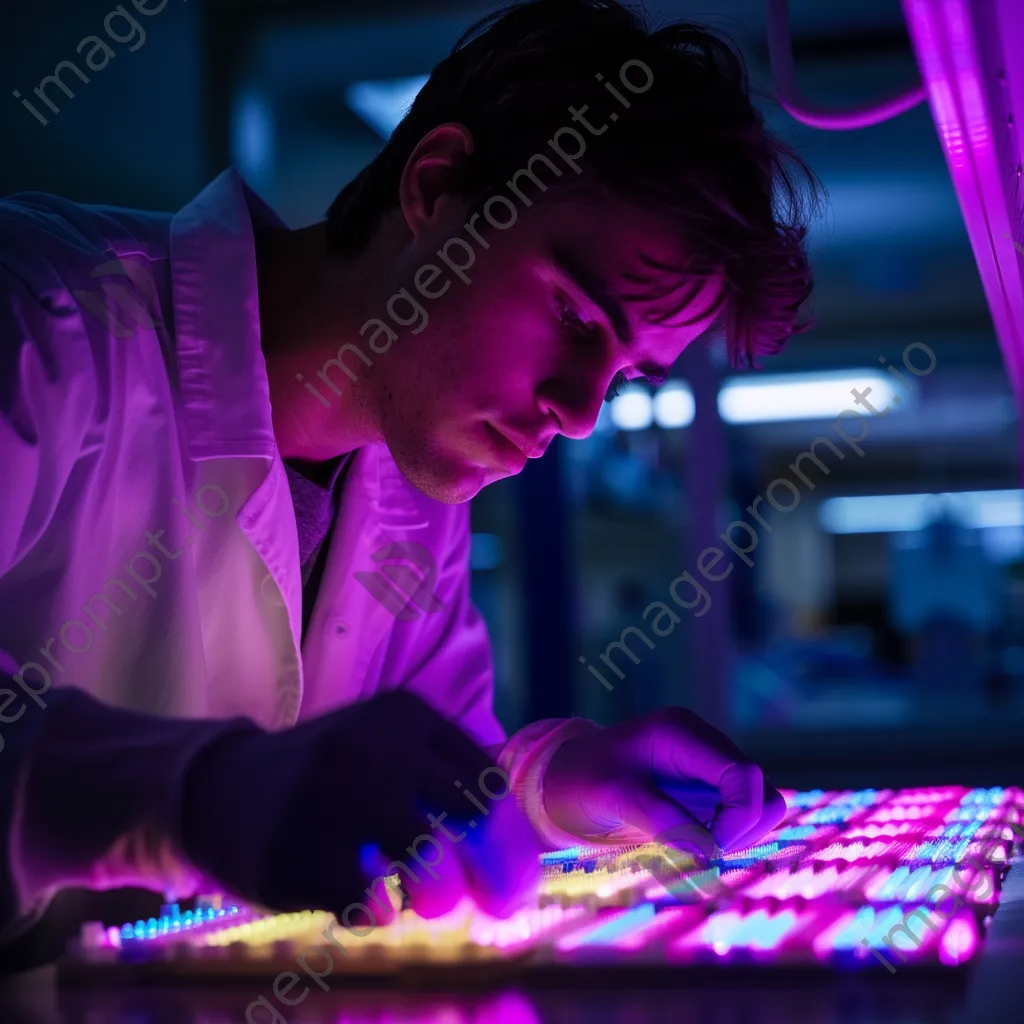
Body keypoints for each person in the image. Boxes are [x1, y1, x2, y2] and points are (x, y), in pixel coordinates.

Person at [0, 0, 818, 944]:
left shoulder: (412, 482)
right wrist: (190, 794)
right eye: (577, 318)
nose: (584, 410)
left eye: (628, 372)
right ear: (436, 186)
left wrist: (562, 783)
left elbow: (412, 786)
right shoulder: (42, 324)